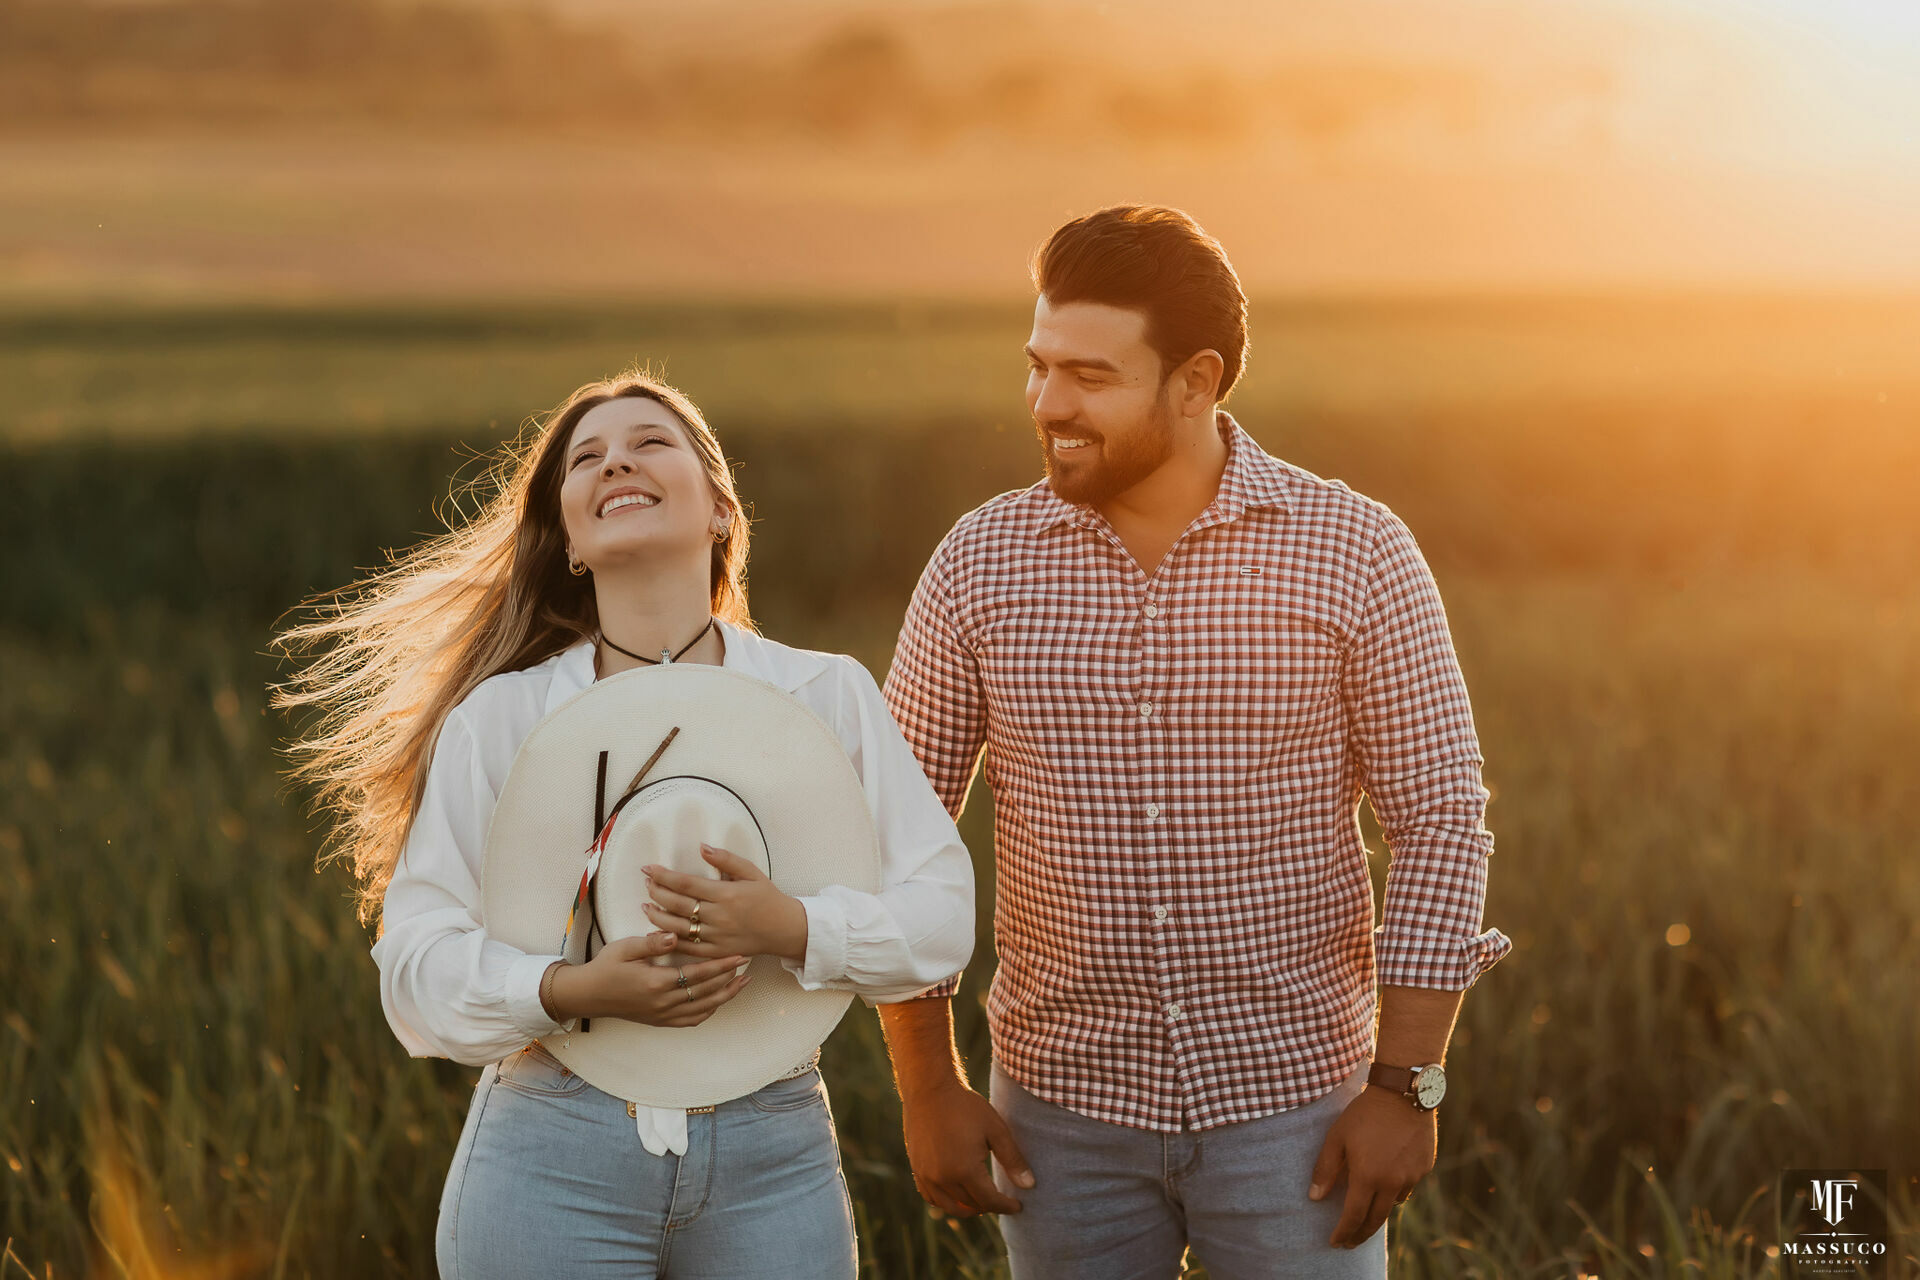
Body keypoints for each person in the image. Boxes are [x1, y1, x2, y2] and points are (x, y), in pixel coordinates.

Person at [876, 205, 1512, 1279]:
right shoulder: (980, 562)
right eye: (1037, 367)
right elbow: (892, 829)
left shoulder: (1355, 551)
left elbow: (1442, 819)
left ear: (1197, 379)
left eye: (1089, 374)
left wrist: (1407, 1083)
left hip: (1297, 1115)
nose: (1048, 404)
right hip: (1057, 1117)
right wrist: (928, 1085)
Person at [276, 370, 974, 1279]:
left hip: (774, 1150)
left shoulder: (823, 696)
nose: (617, 463)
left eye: (650, 442)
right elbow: (414, 971)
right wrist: (572, 990)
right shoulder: (500, 721)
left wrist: (791, 927)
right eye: (587, 459)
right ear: (568, 538)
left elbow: (944, 911)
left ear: (722, 509)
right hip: (549, 1153)